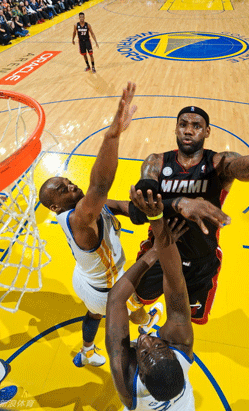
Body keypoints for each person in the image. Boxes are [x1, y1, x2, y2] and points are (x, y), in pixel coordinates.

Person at [129, 93, 249, 324]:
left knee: (183, 324)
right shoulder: (155, 162)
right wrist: (180, 203)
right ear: (175, 129)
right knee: (135, 307)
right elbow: (138, 212)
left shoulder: (219, 163)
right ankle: (147, 322)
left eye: (196, 126)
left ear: (207, 132)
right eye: (183, 125)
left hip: (200, 262)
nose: (188, 130)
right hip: (158, 254)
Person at [38, 83, 161, 368]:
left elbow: (119, 206)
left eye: (68, 181)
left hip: (84, 280)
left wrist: (146, 210)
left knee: (93, 315)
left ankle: (87, 351)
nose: (71, 185)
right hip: (107, 289)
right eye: (62, 189)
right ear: (56, 206)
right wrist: (112, 135)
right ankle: (143, 327)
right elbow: (101, 185)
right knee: (133, 311)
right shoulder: (79, 217)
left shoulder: (87, 209)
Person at [106, 188, 195, 409]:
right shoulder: (181, 346)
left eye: (144, 353)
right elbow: (175, 283)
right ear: (176, 358)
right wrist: (158, 224)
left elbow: (116, 299)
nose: (146, 340)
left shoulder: (127, 384)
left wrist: (154, 252)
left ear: (141, 378)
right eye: (158, 345)